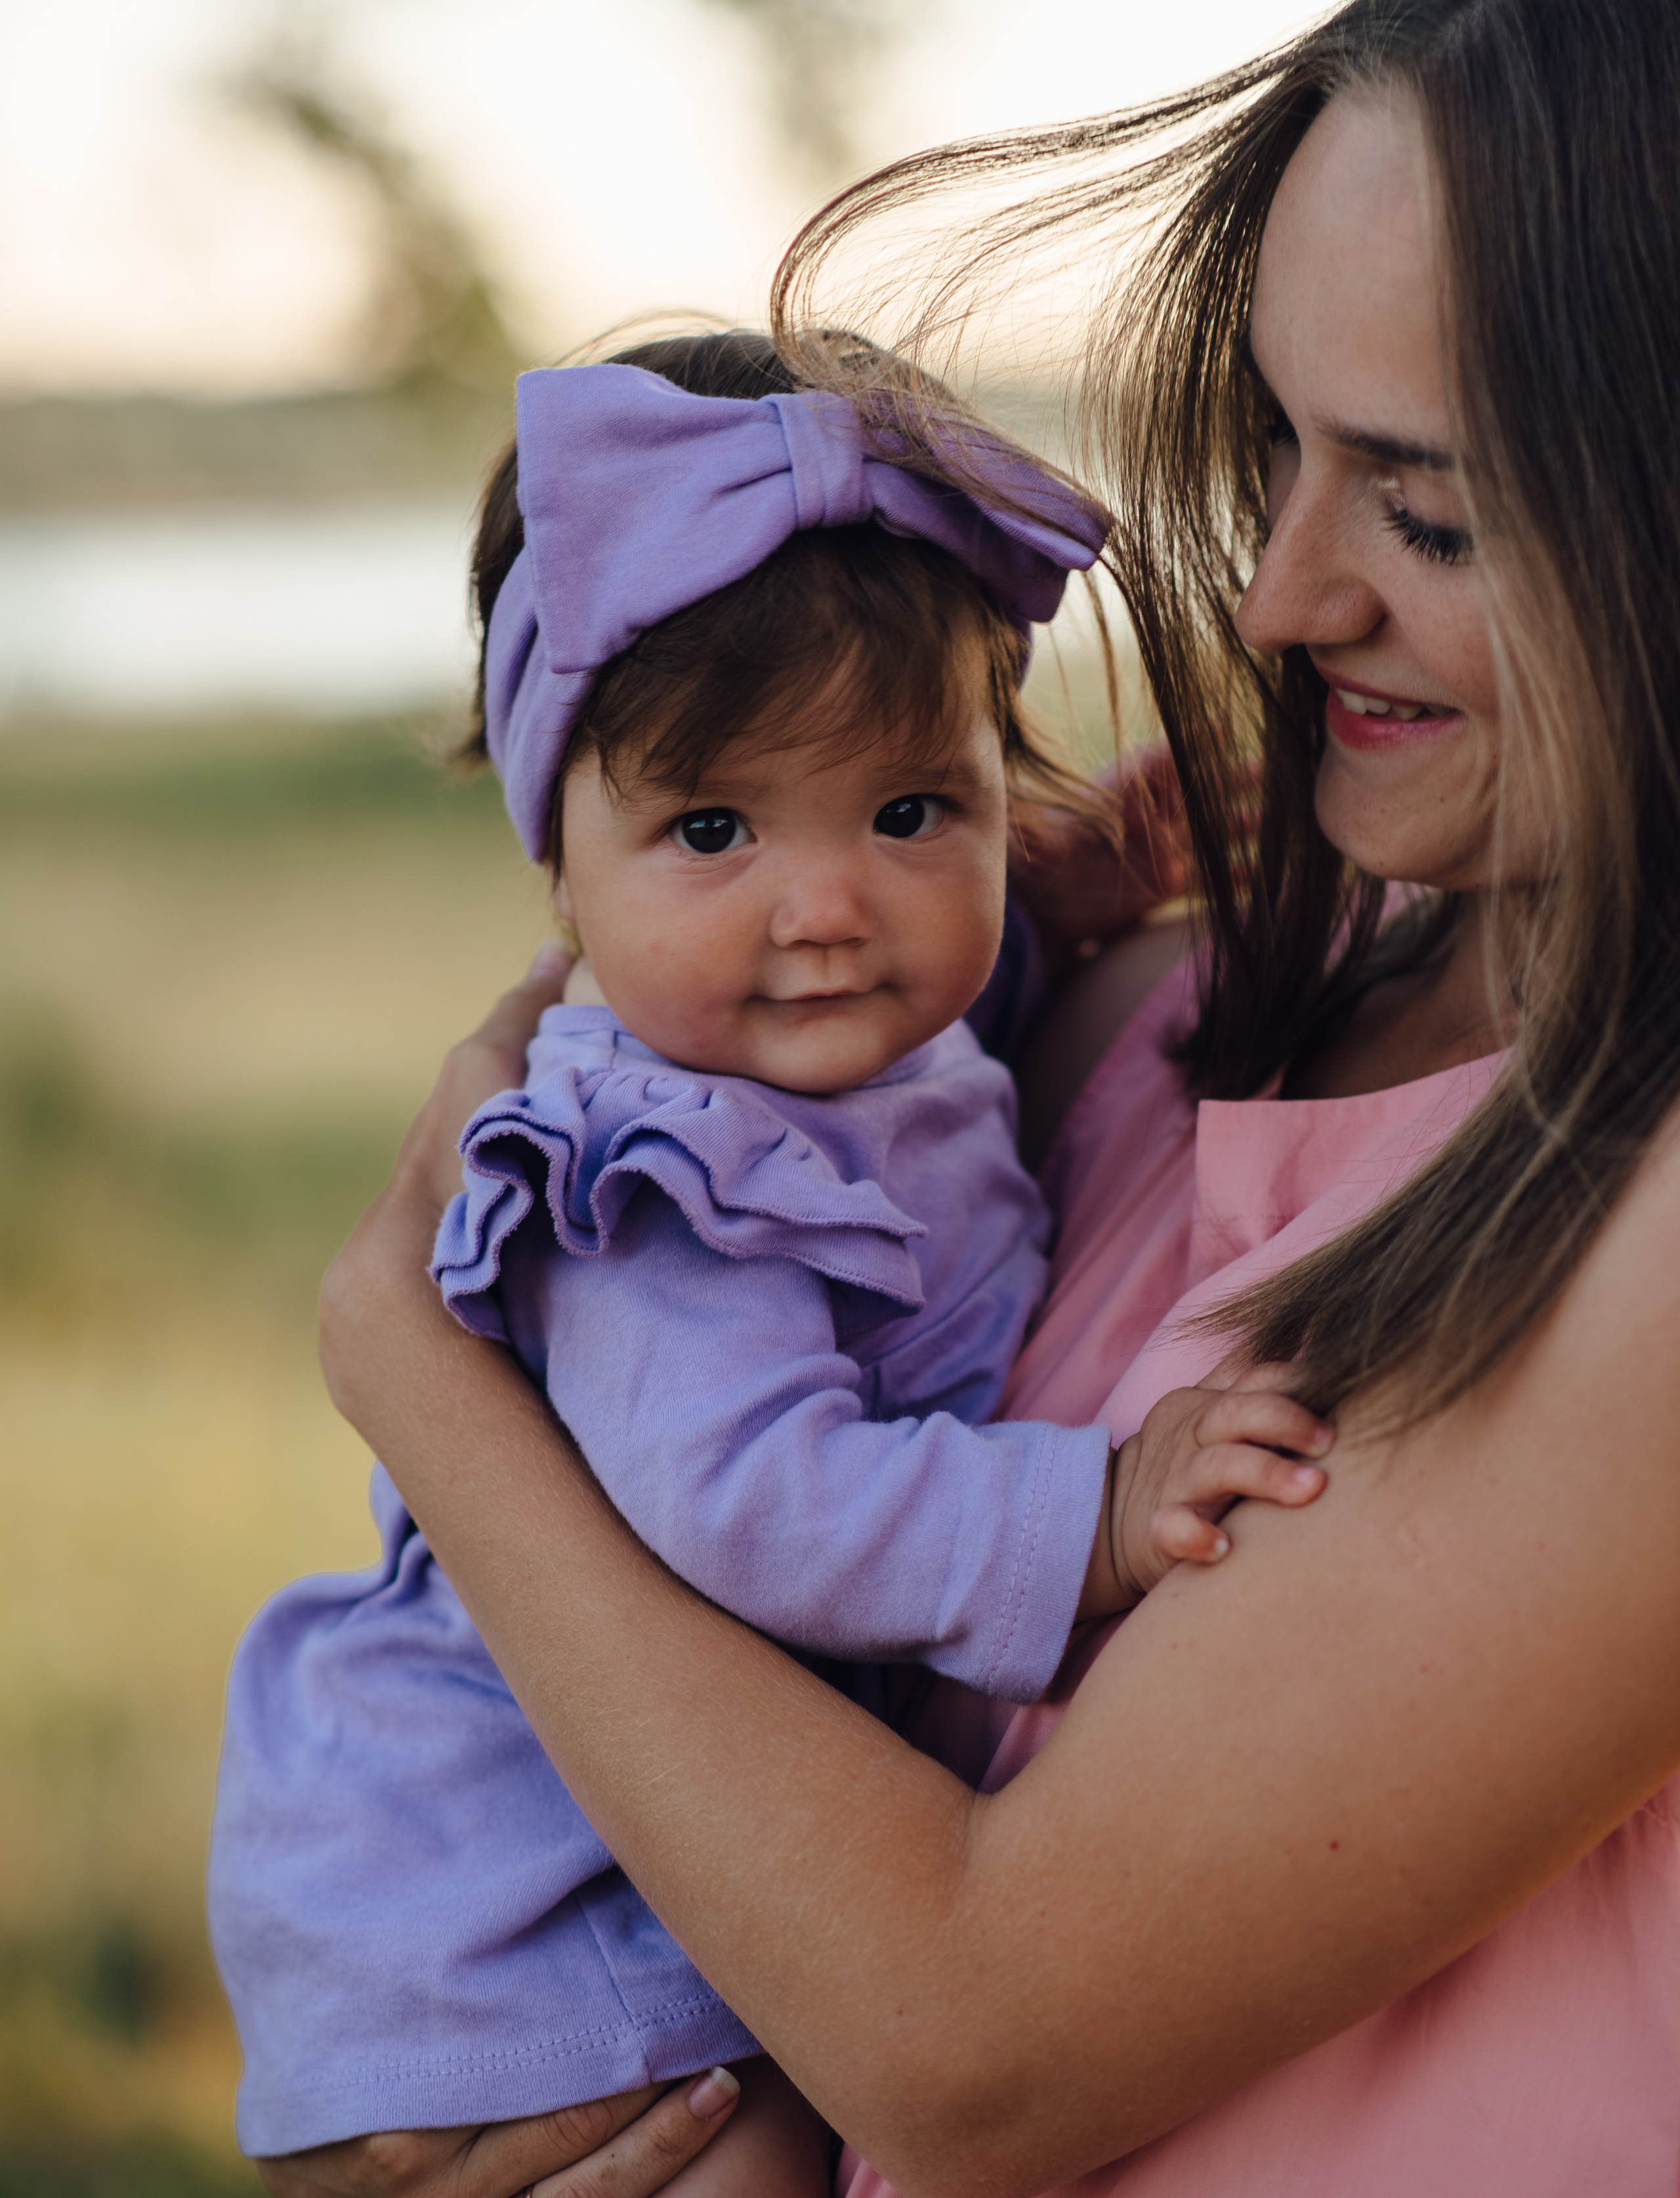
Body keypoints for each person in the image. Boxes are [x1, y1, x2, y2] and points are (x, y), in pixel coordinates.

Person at [268, 0, 1680, 2195]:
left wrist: (404, 1353)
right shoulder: (1158, 1000)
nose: (1283, 589)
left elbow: (970, 2041)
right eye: (1280, 448)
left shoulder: (1631, 1234)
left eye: (1420, 510)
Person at [210, 333, 1330, 2191]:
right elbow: (750, 1498)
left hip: (666, 1818)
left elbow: (938, 1036)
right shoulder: (656, 1177)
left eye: (912, 811)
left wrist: (1071, 896)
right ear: (559, 860)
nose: (827, 908)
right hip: (517, 1877)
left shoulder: (837, 1037)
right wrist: (1094, 1514)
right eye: (714, 829)